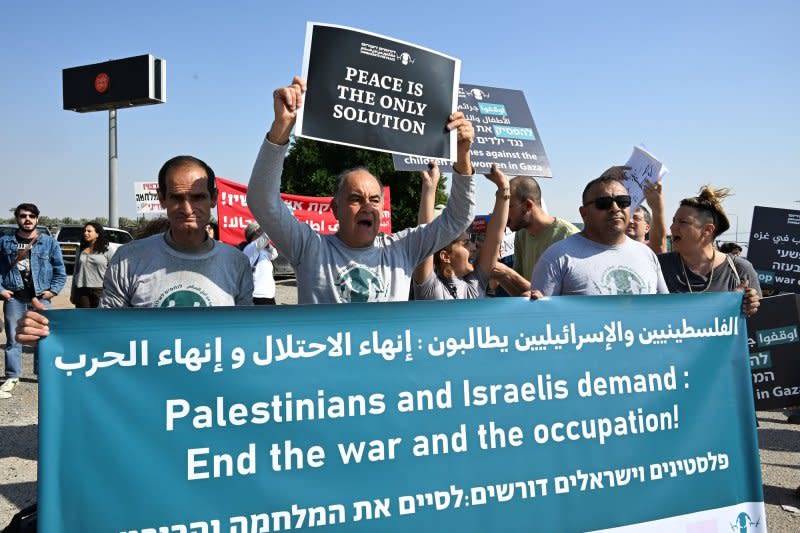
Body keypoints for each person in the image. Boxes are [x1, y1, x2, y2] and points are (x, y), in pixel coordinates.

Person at [246, 76, 476, 304]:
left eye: (375, 200)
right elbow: (262, 201)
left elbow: (458, 218)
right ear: (335, 208)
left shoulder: (402, 248)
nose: (368, 206)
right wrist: (281, 129)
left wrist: (463, 157)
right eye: (356, 198)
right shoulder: (309, 248)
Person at [15, 156, 254, 347]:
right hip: (149, 396)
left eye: (198, 197)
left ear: (213, 198)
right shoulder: (129, 259)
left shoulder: (237, 263)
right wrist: (52, 334)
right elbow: (104, 331)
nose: (187, 208)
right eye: (177, 197)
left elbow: (249, 336)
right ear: (162, 199)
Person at [531, 175, 668, 296]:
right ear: (584, 213)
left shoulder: (646, 255)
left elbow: (666, 310)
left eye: (623, 201)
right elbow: (541, 317)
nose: (615, 208)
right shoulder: (557, 257)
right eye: (604, 203)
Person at [412, 163, 509, 299]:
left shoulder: (476, 283)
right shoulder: (429, 287)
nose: (474, 247)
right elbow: (424, 236)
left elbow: (494, 238)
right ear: (445, 256)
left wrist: (503, 188)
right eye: (465, 243)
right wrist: (429, 186)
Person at [658, 186, 760, 316]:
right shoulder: (660, 265)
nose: (672, 227)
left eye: (683, 222)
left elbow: (758, 324)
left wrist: (751, 306)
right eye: (673, 221)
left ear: (707, 230)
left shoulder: (739, 269)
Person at [1, 203, 66, 398]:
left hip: (40, 299)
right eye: (23, 216)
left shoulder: (48, 242)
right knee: (13, 338)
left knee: (42, 337)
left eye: (31, 216)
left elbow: (60, 271)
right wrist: (2, 290)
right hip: (14, 298)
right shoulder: (5, 242)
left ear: (37, 218)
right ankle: (13, 376)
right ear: (17, 219)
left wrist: (52, 292)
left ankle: (43, 373)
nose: (27, 219)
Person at [502, 175, 579, 295]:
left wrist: (504, 273)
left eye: (507, 206)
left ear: (527, 205)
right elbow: (521, 291)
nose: (502, 213)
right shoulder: (521, 235)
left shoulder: (568, 236)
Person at [70, 222, 116, 308]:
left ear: (97, 234)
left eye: (89, 231)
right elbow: (76, 271)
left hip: (100, 291)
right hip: (82, 291)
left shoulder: (107, 250)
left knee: (99, 319)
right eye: (84, 231)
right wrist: (73, 293)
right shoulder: (81, 249)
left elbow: (114, 272)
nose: (85, 233)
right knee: (84, 319)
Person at [242, 222, 279, 305]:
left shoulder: (263, 251)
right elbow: (267, 235)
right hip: (257, 297)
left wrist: (267, 244)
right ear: (256, 231)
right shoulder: (250, 248)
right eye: (261, 228)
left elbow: (274, 254)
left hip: (269, 296)